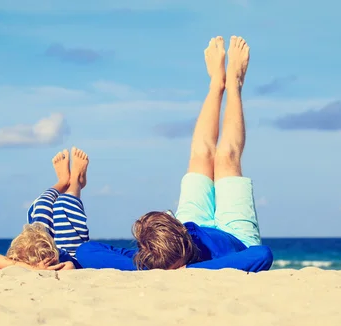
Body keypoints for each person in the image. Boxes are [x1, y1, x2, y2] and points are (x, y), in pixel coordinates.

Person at [75, 35, 273, 272]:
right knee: (226, 157)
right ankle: (234, 84)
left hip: (190, 222)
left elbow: (86, 251)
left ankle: (216, 84)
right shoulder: (155, 260)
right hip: (234, 235)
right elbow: (262, 254)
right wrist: (190, 271)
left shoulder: (149, 258)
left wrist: (181, 257)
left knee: (200, 155)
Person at [0, 147, 90, 271]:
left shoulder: (22, 260)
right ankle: (75, 182)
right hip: (69, 252)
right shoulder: (57, 263)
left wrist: (29, 267)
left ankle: (63, 182)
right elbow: (70, 266)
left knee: (42, 205)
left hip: (42, 246)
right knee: (64, 204)